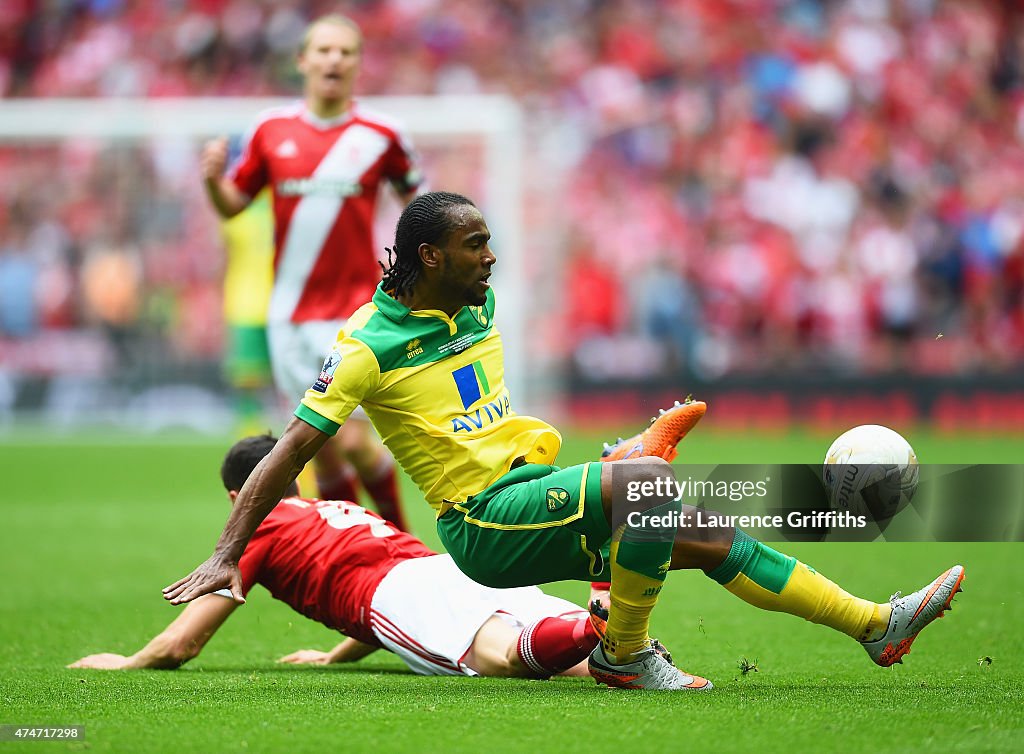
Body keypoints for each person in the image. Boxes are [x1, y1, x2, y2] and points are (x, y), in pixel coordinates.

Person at [165, 192, 965, 691]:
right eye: (475, 244)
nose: (491, 255)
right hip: (483, 520)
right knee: (646, 487)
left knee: (708, 533)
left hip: (531, 488)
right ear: (430, 257)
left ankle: (874, 624)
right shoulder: (365, 346)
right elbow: (290, 452)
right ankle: (624, 648)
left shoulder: (470, 302)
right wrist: (230, 547)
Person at [71, 435, 604, 679]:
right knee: (583, 667)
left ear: (239, 500)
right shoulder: (333, 507)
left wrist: (128, 662)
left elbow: (183, 642)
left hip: (396, 595)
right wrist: (332, 658)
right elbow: (383, 580)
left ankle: (601, 616)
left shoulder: (258, 528)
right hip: (444, 568)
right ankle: (610, 624)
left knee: (505, 659)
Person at [200, 13, 421, 530]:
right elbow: (234, 203)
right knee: (320, 451)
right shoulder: (270, 130)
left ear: (358, 64)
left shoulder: (382, 134)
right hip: (289, 315)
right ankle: (368, 553)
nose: (334, 60)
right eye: (323, 50)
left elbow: (423, 206)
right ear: (302, 60)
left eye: (345, 51)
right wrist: (212, 180)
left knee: (354, 442)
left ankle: (402, 542)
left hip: (356, 313)